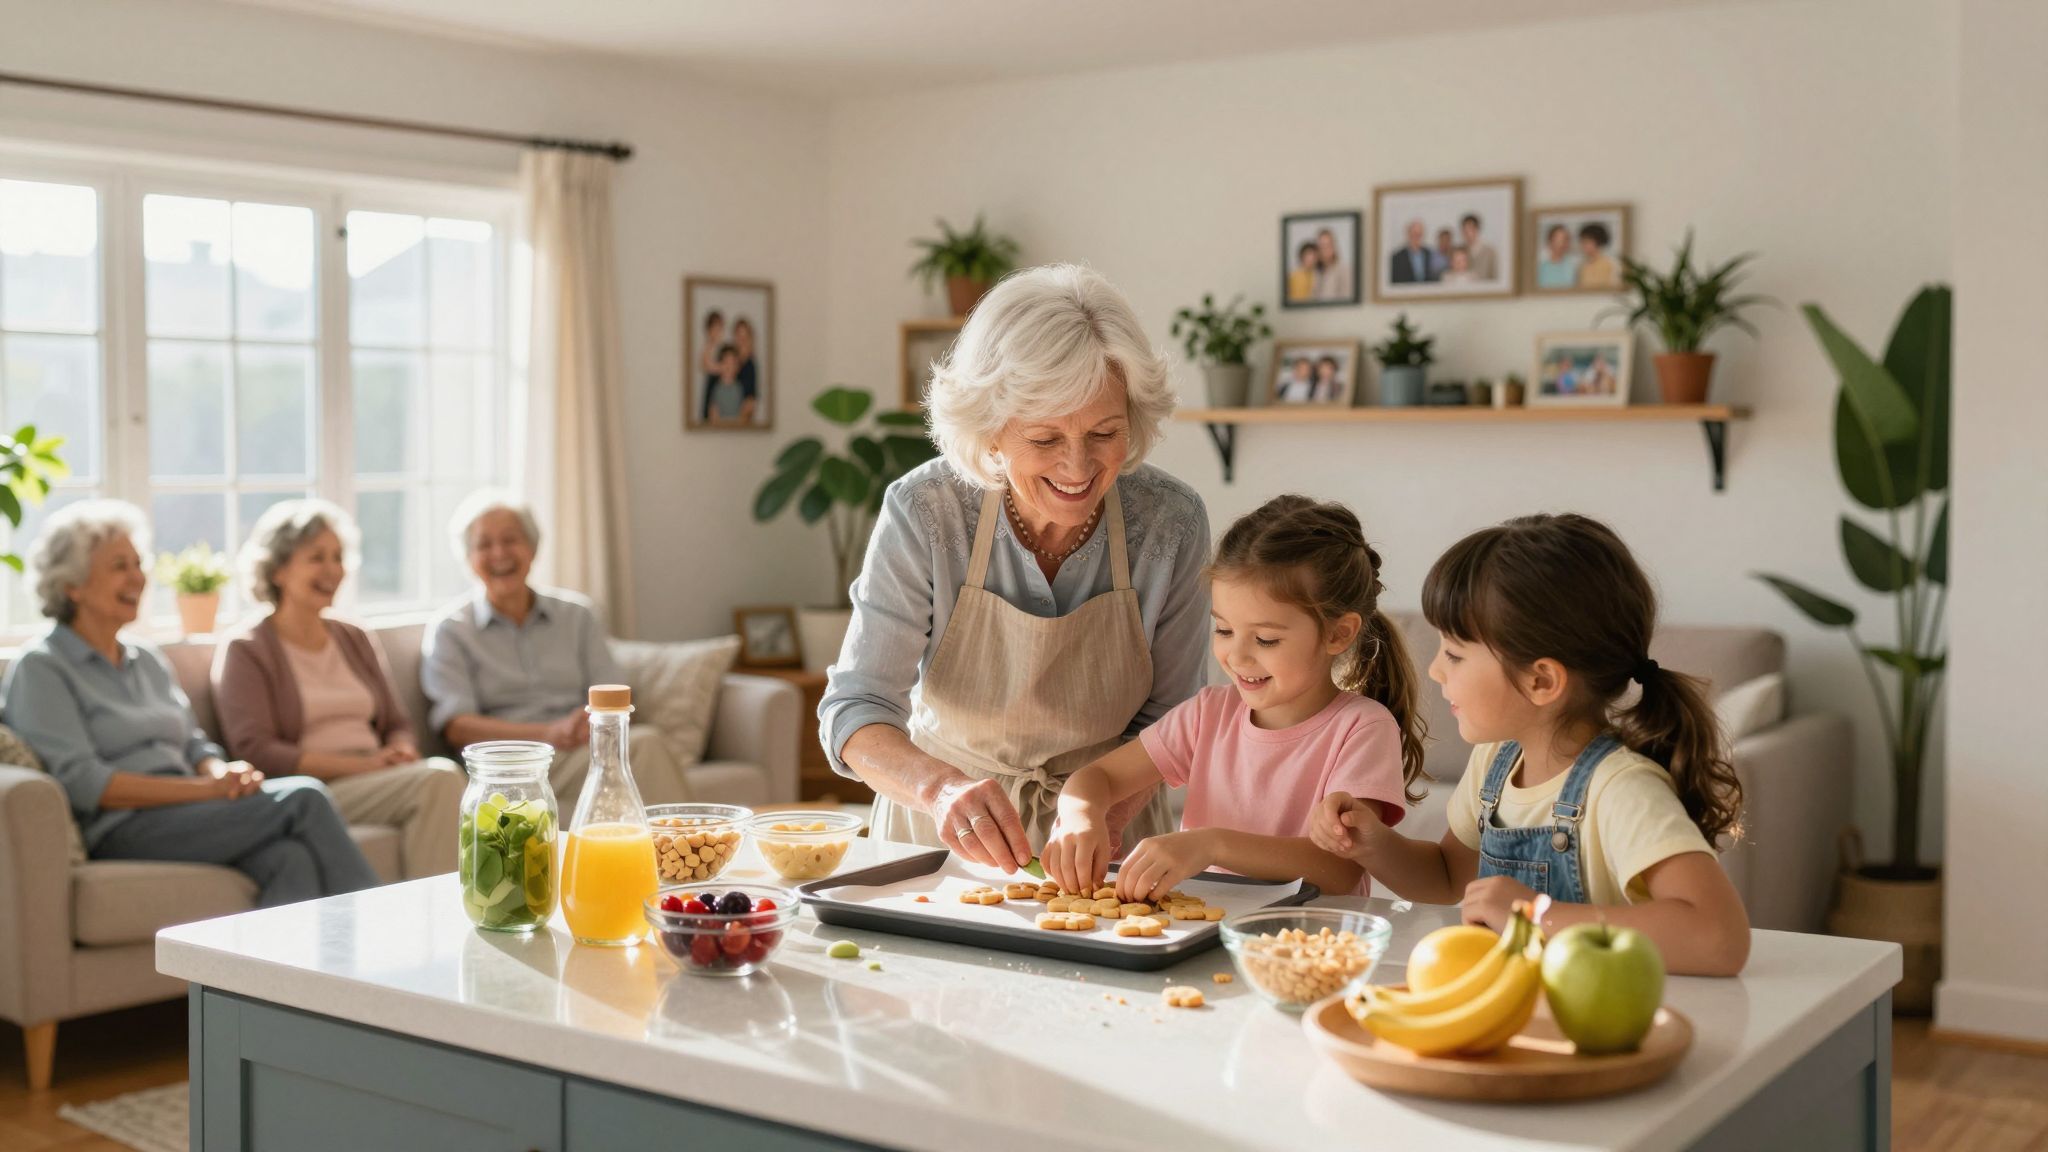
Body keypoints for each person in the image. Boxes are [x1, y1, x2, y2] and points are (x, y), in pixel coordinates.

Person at [819, 264, 1212, 869]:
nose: (1078, 467)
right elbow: (856, 709)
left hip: (1105, 842)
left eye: (1104, 433)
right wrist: (939, 789)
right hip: (936, 841)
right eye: (1046, 439)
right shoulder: (927, 512)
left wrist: (1101, 812)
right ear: (990, 431)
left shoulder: (1171, 523)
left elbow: (1172, 723)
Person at [1311, 514, 1751, 976]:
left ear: (1541, 680)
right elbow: (1445, 877)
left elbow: (1719, 938)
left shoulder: (1621, 788)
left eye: (1455, 654)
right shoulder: (1497, 763)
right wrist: (1371, 844)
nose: (1436, 670)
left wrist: (1534, 915)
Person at [1045, 496, 1426, 900]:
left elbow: (1338, 871)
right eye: (1224, 630)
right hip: (1205, 937)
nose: (1237, 656)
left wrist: (1212, 844)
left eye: (1265, 639)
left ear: (1338, 634)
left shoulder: (1362, 728)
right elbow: (1098, 778)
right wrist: (1079, 817)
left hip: (1312, 946)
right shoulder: (1209, 712)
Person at [1, 501, 379, 906]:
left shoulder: (144, 658)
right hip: (121, 827)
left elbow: (195, 744)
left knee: (289, 860)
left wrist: (223, 771)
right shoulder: (41, 668)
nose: (137, 577)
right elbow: (85, 784)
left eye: (138, 563)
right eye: (118, 566)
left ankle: (255, 973)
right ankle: (382, 938)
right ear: (71, 585)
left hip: (190, 811)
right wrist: (203, 790)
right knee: (305, 798)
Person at [211, 500, 465, 880]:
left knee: (439, 778)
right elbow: (258, 751)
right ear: (278, 569)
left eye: (338, 557)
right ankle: (435, 915)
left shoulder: (353, 636)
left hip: (377, 777)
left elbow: (396, 721)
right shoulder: (246, 648)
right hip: (318, 789)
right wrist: (364, 765)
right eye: (317, 557)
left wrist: (400, 748)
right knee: (440, 778)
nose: (333, 570)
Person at [420, 490, 691, 805]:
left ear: (533, 548)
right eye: (484, 545)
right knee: (643, 749)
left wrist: (586, 719)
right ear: (469, 559)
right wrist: (548, 733)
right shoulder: (451, 630)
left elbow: (614, 694)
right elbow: (458, 727)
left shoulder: (577, 615)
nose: (499, 553)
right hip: (511, 765)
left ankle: (679, 849)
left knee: (646, 743)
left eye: (510, 540)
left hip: (579, 750)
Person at [702, 344, 756, 426]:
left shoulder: (741, 388)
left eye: (733, 363)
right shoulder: (715, 389)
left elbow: (745, 415)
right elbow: (713, 415)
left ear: (738, 367)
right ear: (720, 365)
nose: (729, 367)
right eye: (726, 362)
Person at [1389, 220, 1439, 284]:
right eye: (1414, 234)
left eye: (1419, 235)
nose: (1417, 238)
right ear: (1408, 234)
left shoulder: (1430, 254)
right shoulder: (1397, 257)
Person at [1576, 221, 1620, 289]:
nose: (1582, 245)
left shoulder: (1610, 264)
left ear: (1597, 241)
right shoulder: (1582, 266)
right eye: (1582, 241)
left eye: (1586, 241)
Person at [1536, 224, 1580, 289]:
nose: (1562, 243)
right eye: (1558, 239)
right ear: (1549, 241)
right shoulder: (1540, 267)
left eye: (1565, 239)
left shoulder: (1574, 267)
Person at [1312, 227, 1350, 302]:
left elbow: (1346, 299)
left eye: (1327, 246)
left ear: (1334, 247)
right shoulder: (1316, 272)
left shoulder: (1344, 270)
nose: (1324, 250)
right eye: (1321, 246)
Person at [1459, 213, 1500, 281]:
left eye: (1470, 229)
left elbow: (1495, 276)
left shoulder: (1490, 252)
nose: (1467, 233)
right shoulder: (1460, 251)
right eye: (1464, 230)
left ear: (1477, 229)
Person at [698, 309, 726, 404]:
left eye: (719, 328)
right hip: (712, 384)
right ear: (708, 330)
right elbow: (704, 366)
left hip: (723, 386)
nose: (717, 332)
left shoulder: (724, 346)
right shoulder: (707, 347)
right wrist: (721, 367)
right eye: (714, 328)